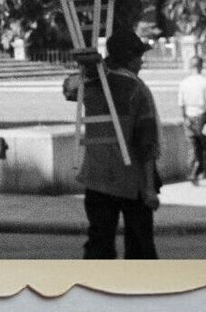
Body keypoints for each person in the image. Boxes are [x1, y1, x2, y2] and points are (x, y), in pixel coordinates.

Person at [62, 29, 163, 259]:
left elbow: (68, 88)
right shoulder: (137, 89)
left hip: (97, 177)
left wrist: (89, 69)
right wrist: (149, 188)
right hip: (132, 179)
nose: (142, 62)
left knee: (99, 244)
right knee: (140, 248)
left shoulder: (94, 84)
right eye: (139, 57)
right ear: (129, 58)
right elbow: (147, 142)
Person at [178, 56, 206, 184]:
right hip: (203, 117)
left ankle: (193, 173)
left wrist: (185, 118)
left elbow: (181, 104)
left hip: (189, 118)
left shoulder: (184, 83)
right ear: (201, 66)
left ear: (190, 66)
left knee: (194, 147)